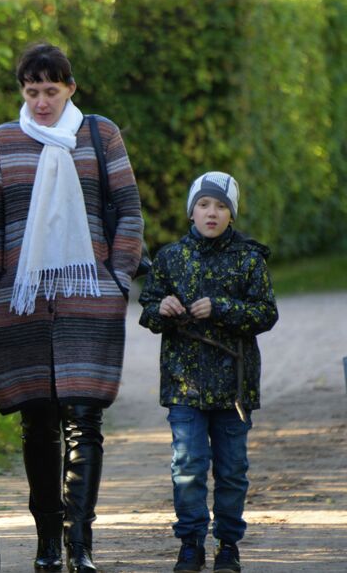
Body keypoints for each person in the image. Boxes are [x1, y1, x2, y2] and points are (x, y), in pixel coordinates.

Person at [0, 42, 144, 573]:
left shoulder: (100, 134)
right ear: (21, 91)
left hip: (89, 298)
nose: (42, 102)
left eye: (52, 90)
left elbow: (128, 209)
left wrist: (117, 277)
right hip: (20, 303)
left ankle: (80, 543)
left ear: (71, 88)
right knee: (36, 424)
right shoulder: (4, 140)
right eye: (32, 91)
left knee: (84, 420)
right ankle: (48, 540)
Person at [137, 171, 278, 573]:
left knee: (232, 471)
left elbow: (267, 313)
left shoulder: (250, 258)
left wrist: (222, 308)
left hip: (235, 387)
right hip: (184, 386)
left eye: (220, 206)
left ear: (231, 214)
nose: (211, 213)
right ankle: (190, 545)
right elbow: (148, 310)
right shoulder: (169, 258)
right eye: (204, 205)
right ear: (191, 212)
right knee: (187, 467)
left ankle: (229, 547)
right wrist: (161, 310)